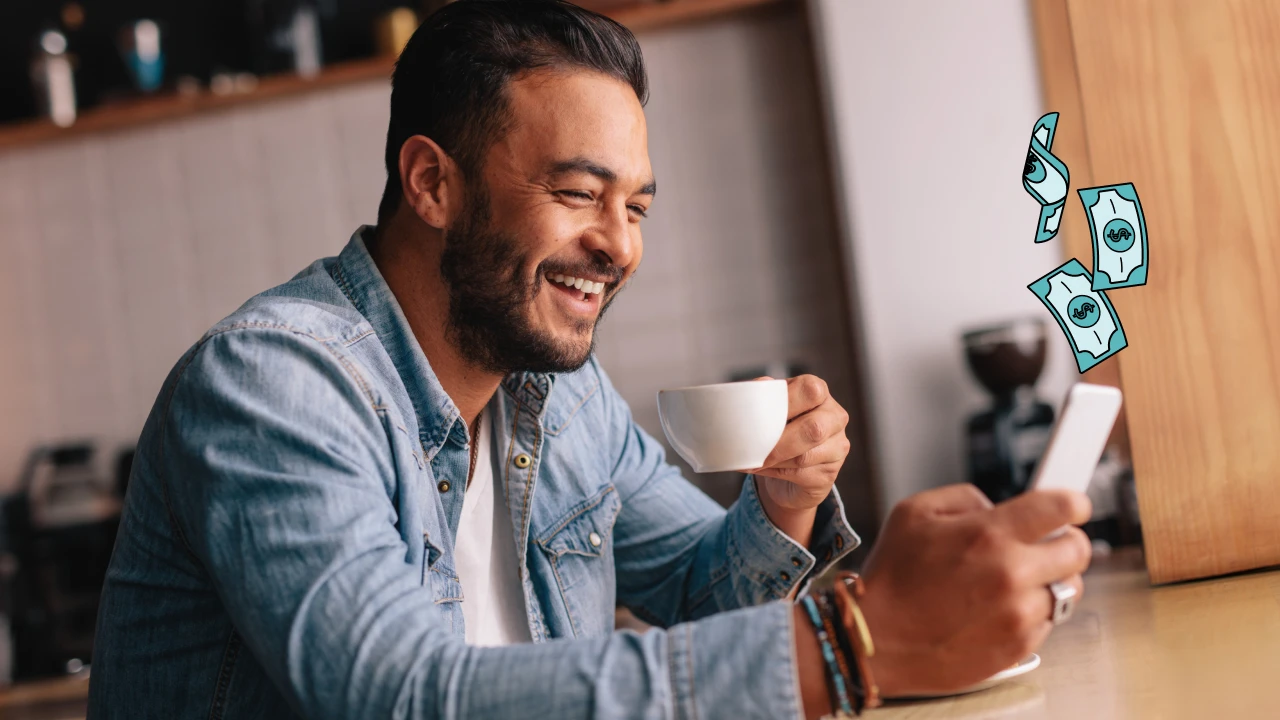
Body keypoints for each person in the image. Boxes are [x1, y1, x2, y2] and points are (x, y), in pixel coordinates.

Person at [87, 1, 1092, 718]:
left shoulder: (561, 399)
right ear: (431, 182)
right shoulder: (273, 387)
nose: (620, 246)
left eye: (637, 206)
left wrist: (781, 501)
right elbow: (399, 695)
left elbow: (701, 595)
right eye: (577, 194)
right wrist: (853, 644)